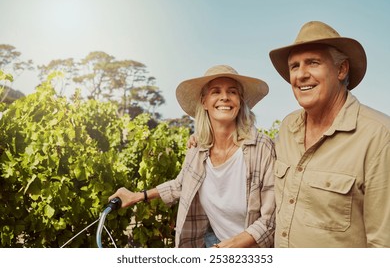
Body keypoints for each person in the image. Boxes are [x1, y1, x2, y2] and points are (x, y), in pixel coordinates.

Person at [109, 65, 276, 248]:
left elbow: (270, 220)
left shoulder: (262, 147)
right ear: (204, 102)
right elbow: (180, 184)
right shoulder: (198, 150)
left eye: (232, 91)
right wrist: (136, 196)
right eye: (215, 91)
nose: (224, 97)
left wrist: (223, 249)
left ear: (240, 101)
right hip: (214, 242)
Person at [269, 21, 390, 247]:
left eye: (313, 63)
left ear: (341, 69)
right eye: (294, 66)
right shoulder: (287, 127)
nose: (301, 75)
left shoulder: (380, 136)